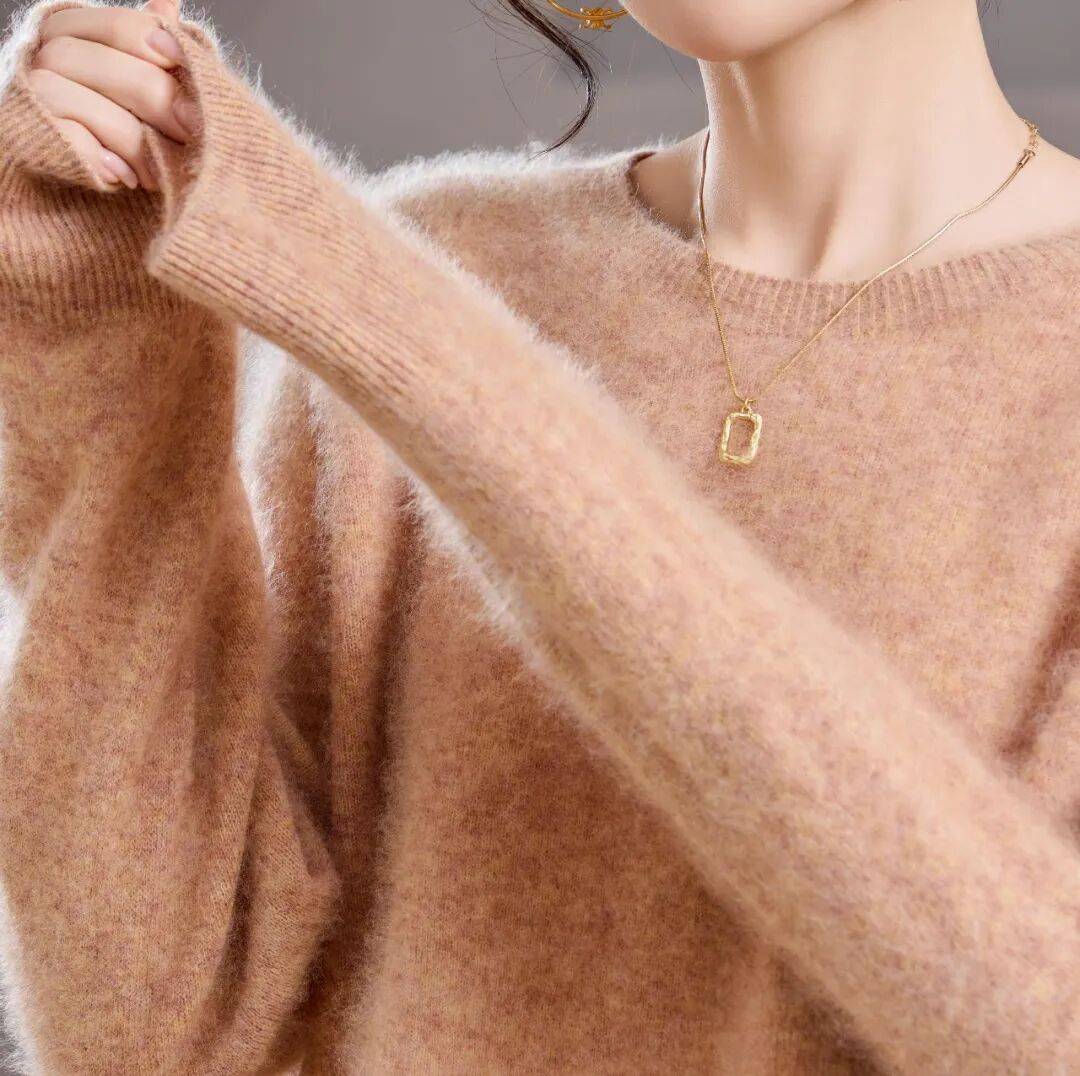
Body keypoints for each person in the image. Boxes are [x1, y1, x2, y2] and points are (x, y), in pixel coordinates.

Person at [0, 0, 1077, 1072]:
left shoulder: (379, 294)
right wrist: (90, 342)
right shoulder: (434, 260)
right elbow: (156, 1038)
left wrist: (427, 357)